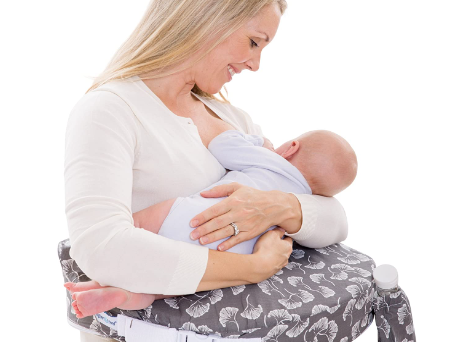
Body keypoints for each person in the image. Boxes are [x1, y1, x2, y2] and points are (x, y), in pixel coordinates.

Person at [64, 0, 412, 342]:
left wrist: (282, 208)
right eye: (253, 42)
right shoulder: (111, 111)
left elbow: (332, 216)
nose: (255, 63)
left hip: (253, 337)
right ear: (206, 17)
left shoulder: (233, 120)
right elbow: (100, 247)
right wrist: (253, 267)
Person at [65, 129, 358, 319]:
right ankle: (123, 295)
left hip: (194, 215)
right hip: (232, 252)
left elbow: (222, 145)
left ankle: (107, 276)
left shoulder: (270, 160)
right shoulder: (303, 196)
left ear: (291, 147)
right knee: (159, 290)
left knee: (135, 226)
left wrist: (260, 143)